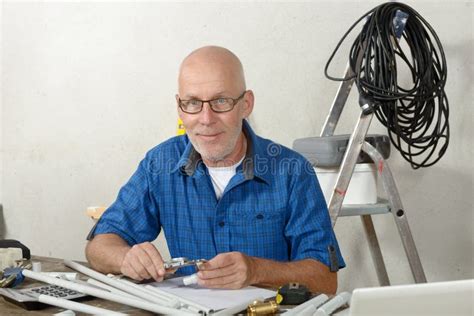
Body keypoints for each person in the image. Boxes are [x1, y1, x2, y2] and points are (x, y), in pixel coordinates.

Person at [85, 46, 345, 294]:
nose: (206, 119)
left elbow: (325, 279)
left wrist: (256, 270)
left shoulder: (292, 172)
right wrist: (126, 258)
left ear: (246, 104)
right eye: (193, 103)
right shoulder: (159, 165)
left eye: (221, 101)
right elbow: (99, 245)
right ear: (179, 107)